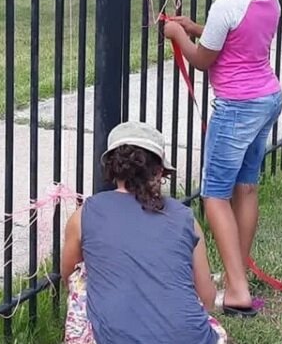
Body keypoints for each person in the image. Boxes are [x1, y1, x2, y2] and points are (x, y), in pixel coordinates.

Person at [162, 0, 282, 317]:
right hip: (267, 99)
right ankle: (238, 274)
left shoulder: (226, 5)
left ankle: (235, 290)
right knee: (246, 187)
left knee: (215, 194)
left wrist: (179, 34)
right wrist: (196, 25)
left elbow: (204, 60)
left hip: (236, 108)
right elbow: (237, 41)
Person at [61, 121, 226, 344]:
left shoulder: (83, 215)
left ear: (112, 169)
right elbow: (207, 300)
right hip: (191, 338)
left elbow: (68, 275)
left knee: (82, 277)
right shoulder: (185, 218)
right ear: (159, 172)